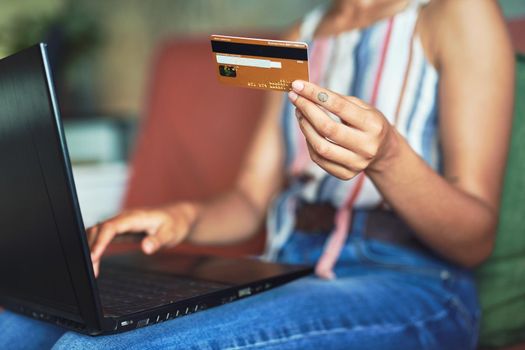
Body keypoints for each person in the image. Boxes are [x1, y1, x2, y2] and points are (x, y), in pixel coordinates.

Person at [0, 0, 514, 349]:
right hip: (280, 271)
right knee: (13, 325)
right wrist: (181, 217)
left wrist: (388, 159)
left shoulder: (457, 13)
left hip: (411, 281)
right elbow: (249, 199)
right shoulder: (300, 36)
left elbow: (474, 241)